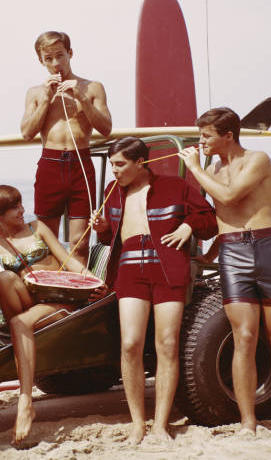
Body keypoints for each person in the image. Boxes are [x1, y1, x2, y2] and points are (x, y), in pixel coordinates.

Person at [177, 107, 271, 435]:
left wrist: (193, 167)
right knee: (243, 337)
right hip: (232, 253)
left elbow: (231, 197)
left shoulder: (258, 160)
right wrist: (211, 253)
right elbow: (223, 217)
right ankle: (248, 422)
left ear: (228, 135)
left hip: (266, 248)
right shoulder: (214, 170)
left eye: (206, 135)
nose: (201, 141)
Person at [91, 137, 217, 444]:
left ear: (141, 162)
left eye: (120, 164)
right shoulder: (112, 191)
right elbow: (112, 238)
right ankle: (138, 423)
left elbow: (209, 221)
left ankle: (160, 424)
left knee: (167, 344)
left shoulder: (176, 186)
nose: (114, 170)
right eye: (111, 164)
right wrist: (102, 228)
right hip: (129, 271)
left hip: (168, 269)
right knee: (131, 344)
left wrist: (188, 227)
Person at [0, 184, 107, 445]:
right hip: (27, 304)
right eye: (13, 207)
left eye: (20, 204)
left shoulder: (37, 228)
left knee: (18, 321)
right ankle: (21, 333)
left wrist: (93, 281)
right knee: (4, 278)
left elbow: (67, 259)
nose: (21, 210)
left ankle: (26, 401)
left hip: (59, 301)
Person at [20, 30, 112, 264]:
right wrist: (46, 100)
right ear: (41, 61)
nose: (55, 63)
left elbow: (106, 128)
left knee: (79, 240)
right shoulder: (35, 92)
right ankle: (52, 289)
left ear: (70, 53)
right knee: (46, 238)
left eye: (60, 56)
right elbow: (27, 132)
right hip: (50, 163)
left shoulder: (92, 87)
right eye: (48, 59)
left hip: (80, 162)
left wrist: (81, 98)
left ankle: (79, 296)